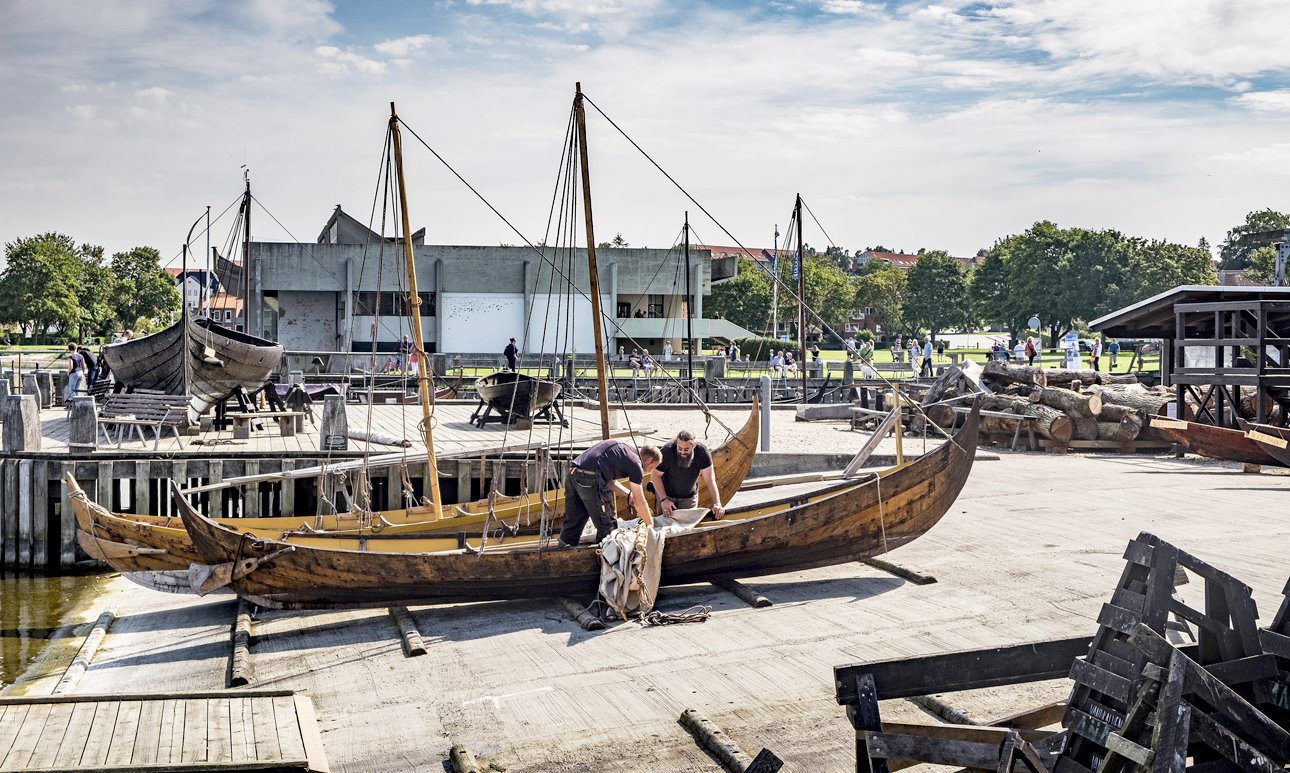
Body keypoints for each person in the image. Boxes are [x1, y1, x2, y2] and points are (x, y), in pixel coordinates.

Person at [557, 440, 661, 547]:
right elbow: (640, 502)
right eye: (652, 467)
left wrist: (628, 494)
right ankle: (603, 559)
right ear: (648, 460)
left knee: (573, 520)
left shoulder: (625, 449)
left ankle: (562, 554)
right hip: (591, 478)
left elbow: (610, 481)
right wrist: (650, 526)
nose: (649, 471)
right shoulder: (636, 464)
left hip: (573, 473)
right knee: (606, 525)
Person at [650, 430, 725, 521]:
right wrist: (663, 499)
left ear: (694, 446)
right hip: (666, 496)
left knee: (688, 527)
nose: (682, 452)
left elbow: (710, 480)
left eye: (686, 449)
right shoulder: (668, 450)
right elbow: (655, 475)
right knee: (664, 525)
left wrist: (717, 503)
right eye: (679, 448)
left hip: (689, 498)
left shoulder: (702, 453)